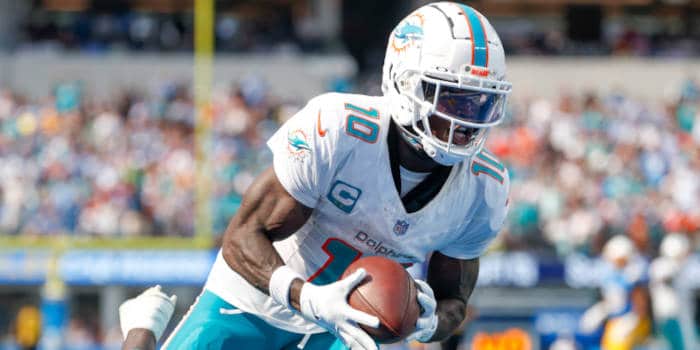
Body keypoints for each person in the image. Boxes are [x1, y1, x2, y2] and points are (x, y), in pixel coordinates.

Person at [122, 2, 511, 349]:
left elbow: (454, 302)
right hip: (253, 300)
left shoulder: (483, 188)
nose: (466, 121)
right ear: (404, 83)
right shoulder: (340, 128)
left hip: (345, 331)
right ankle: (141, 332)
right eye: (452, 97)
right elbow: (241, 237)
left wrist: (427, 325)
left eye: (481, 103)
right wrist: (306, 297)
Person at [579, 235, 651, 350]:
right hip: (615, 321)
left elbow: (641, 303)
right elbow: (612, 301)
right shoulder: (610, 274)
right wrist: (600, 311)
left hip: (634, 321)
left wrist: (633, 320)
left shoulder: (633, 273)